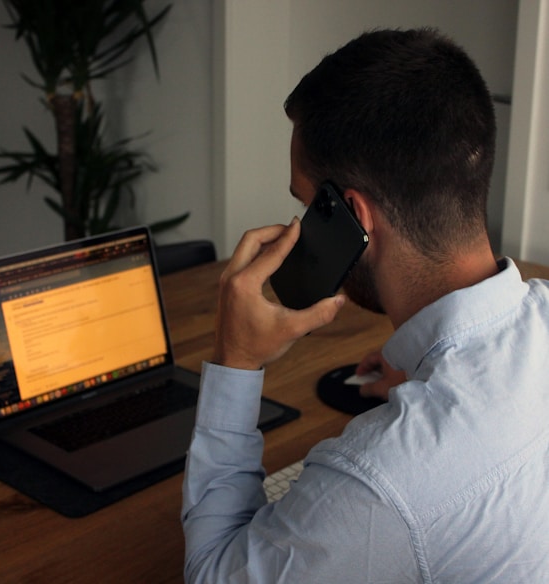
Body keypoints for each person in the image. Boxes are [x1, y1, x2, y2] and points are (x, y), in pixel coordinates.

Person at [181, 27, 549, 582]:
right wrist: (422, 375)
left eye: (307, 205)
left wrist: (236, 361)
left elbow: (212, 572)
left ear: (355, 214)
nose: (301, 228)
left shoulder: (382, 479)